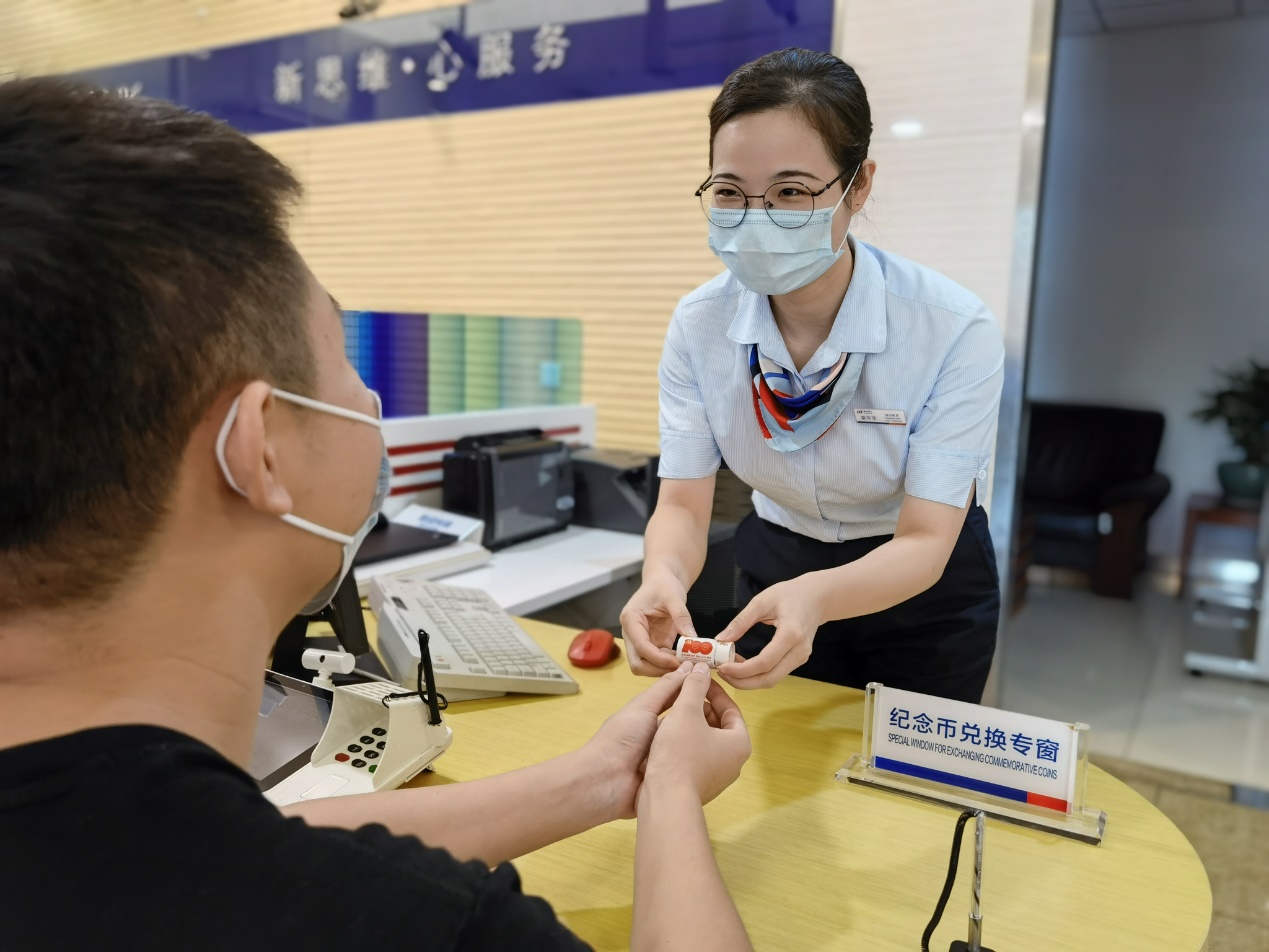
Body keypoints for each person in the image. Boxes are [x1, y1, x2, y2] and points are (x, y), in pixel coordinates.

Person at [0, 78, 752, 952]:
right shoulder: (435, 929)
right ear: (260, 448)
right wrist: (671, 798)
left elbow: (228, 852)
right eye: (341, 359)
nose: (367, 402)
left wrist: (604, 777)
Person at [621, 49, 1004, 704]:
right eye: (729, 192)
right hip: (778, 563)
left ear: (858, 185)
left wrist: (820, 598)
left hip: (919, 585)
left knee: (902, 766)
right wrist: (662, 576)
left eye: (791, 192)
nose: (756, 217)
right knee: (780, 753)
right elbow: (682, 504)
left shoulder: (952, 328)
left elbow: (925, 537)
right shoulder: (698, 324)